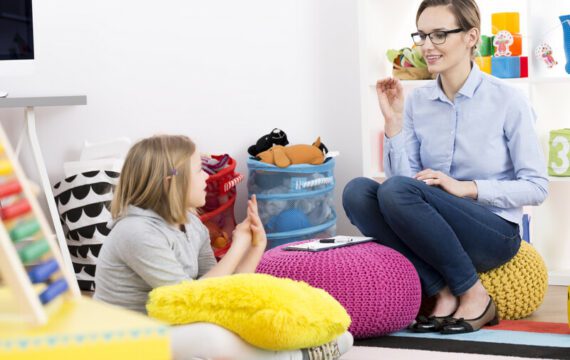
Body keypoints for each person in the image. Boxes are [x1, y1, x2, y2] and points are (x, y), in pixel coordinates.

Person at [343, 0, 548, 335]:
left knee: (396, 190)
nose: (427, 46)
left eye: (439, 35)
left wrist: (465, 187)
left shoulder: (509, 101)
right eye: (422, 35)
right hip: (434, 227)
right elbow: (400, 188)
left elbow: (537, 187)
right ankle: (441, 289)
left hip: (493, 232)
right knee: (358, 192)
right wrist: (393, 123)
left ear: (471, 37)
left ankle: (474, 293)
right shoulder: (418, 102)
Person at [94, 135, 351, 359]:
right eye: (198, 170)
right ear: (172, 180)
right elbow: (186, 303)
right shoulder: (136, 232)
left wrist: (255, 247)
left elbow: (218, 292)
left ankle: (291, 353)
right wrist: (237, 247)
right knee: (212, 336)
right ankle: (291, 357)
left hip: (174, 326)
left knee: (342, 336)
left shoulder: (191, 222)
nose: (207, 177)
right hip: (128, 340)